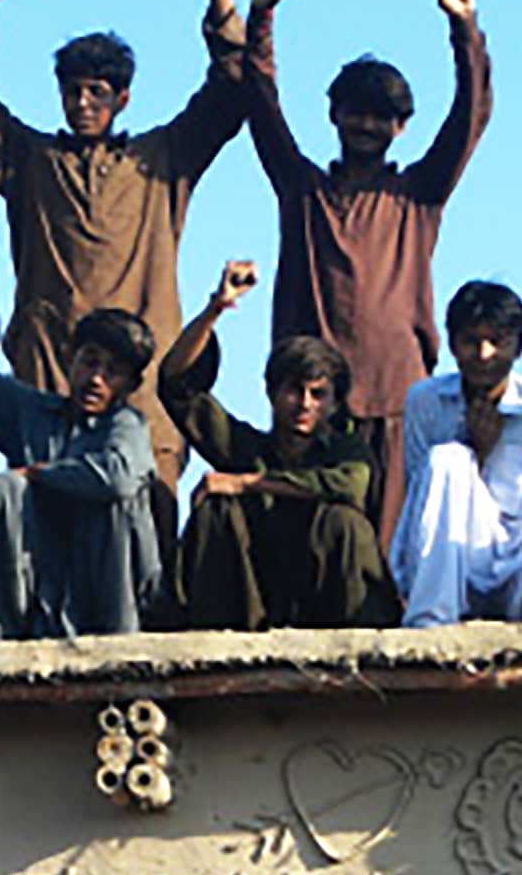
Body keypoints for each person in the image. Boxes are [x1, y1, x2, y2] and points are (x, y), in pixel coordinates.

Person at [0, 0, 247, 485]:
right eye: (72, 90)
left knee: (145, 564)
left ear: (122, 98)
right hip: (49, 394)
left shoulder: (161, 161)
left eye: (97, 92)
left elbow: (232, 87)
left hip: (146, 406)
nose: (82, 102)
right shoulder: (32, 162)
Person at [242, 0, 493, 545]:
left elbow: (472, 116)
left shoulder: (418, 196)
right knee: (316, 543)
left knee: (399, 550)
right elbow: (260, 103)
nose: (367, 127)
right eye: (356, 114)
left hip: (400, 403)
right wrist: (263, 17)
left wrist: (464, 29)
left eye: (382, 118)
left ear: (400, 127)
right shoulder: (304, 193)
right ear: (334, 115)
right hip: (316, 406)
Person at [0, 232, 161, 638]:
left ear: (128, 383)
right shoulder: (31, 413)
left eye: (112, 371)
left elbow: (118, 479)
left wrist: (40, 474)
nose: (96, 379)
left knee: (117, 498)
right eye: (90, 362)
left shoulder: (126, 427)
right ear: (71, 359)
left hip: (104, 594)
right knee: (1, 490)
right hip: (41, 587)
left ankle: (118, 641)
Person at [158, 258, 398, 630]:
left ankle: (361, 650)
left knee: (345, 521)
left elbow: (349, 485)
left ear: (334, 403)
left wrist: (247, 482)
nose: (304, 404)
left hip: (327, 610)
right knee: (218, 510)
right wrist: (215, 309)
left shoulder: (345, 449)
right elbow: (176, 387)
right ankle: (212, 641)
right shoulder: (247, 448)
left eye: (317, 394)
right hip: (252, 606)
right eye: (293, 391)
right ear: (271, 393)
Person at [390, 282, 522, 628]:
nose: (484, 355)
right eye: (472, 342)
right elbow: (424, 500)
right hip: (453, 554)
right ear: (453, 344)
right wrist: (474, 451)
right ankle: (430, 626)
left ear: (518, 348)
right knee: (448, 458)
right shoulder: (425, 401)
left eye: (497, 342)